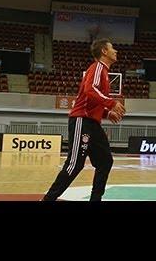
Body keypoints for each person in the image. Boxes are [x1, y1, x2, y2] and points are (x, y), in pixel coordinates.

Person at [43, 38, 126, 201]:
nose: (115, 51)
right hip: (82, 120)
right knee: (74, 164)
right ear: (104, 51)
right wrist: (111, 103)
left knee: (105, 161)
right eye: (112, 48)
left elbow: (92, 101)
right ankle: (48, 199)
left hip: (92, 123)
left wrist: (107, 113)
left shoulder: (104, 73)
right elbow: (90, 90)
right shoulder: (97, 68)